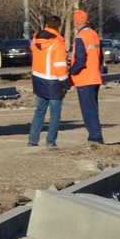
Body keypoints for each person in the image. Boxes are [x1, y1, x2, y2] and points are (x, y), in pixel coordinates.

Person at [27, 15, 69, 148]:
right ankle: (50, 141)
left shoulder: (36, 38)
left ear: (46, 25)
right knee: (55, 113)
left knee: (40, 110)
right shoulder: (58, 43)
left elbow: (34, 49)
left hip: (38, 79)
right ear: (59, 27)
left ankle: (33, 140)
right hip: (53, 82)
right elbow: (60, 67)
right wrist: (66, 84)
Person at [69, 9, 105, 145]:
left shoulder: (81, 37)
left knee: (88, 110)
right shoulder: (94, 34)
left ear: (75, 23)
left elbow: (80, 59)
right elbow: (100, 56)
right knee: (93, 108)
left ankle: (95, 138)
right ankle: (95, 136)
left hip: (84, 78)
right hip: (95, 76)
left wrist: (72, 72)